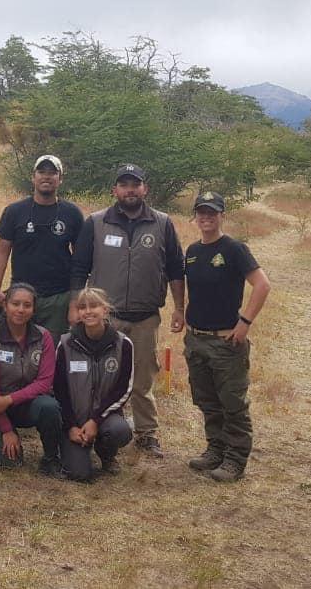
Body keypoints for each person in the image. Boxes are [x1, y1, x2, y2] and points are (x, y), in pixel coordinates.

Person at [69, 163, 185, 458]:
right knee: (100, 377)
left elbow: (175, 269)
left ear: (145, 189)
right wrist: (75, 307)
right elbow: (79, 267)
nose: (130, 190)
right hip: (105, 319)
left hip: (146, 317)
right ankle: (98, 428)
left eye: (135, 184)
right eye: (124, 185)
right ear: (115, 190)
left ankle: (146, 433)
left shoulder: (162, 223)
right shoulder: (96, 222)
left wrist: (179, 308)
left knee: (143, 379)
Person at [183, 192, 271, 482]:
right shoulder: (193, 251)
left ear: (222, 215)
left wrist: (245, 322)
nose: (206, 217)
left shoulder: (234, 249)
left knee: (232, 404)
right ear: (195, 216)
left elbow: (262, 285)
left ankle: (235, 459)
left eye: (212, 212)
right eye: (201, 212)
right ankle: (215, 450)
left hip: (225, 342)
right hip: (196, 339)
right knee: (207, 402)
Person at [0, 155, 84, 341]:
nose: (46, 177)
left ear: (60, 179)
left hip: (58, 297)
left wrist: (75, 300)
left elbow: (80, 259)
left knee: (52, 348)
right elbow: (2, 250)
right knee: (16, 345)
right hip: (22, 296)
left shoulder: (72, 213)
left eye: (53, 173)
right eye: (41, 172)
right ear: (33, 177)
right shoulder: (14, 211)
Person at [0, 283, 63, 475]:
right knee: (9, 463)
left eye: (27, 305)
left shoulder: (44, 337)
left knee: (49, 406)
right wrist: (7, 430)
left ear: (34, 309)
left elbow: (45, 382)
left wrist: (10, 399)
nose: (21, 310)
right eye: (15, 304)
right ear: (5, 305)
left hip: (25, 404)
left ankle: (51, 458)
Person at [55, 287, 134, 482]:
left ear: (105, 310)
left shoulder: (123, 344)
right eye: (82, 307)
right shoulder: (66, 344)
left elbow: (123, 389)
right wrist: (71, 426)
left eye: (94, 306)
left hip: (104, 418)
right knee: (79, 475)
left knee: (119, 431)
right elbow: (59, 390)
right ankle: (70, 448)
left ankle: (106, 454)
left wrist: (95, 421)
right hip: (74, 420)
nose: (88, 311)